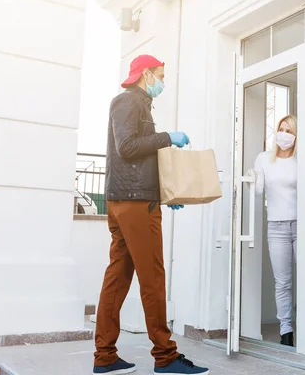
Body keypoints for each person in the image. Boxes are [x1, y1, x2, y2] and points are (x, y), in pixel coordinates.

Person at [93, 55, 209, 375]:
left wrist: (163, 194)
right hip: (135, 204)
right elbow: (128, 147)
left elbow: (137, 158)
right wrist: (167, 137)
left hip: (130, 200)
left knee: (117, 279)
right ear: (145, 74)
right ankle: (166, 357)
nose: (162, 81)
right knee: (153, 280)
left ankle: (105, 357)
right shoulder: (128, 102)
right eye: (160, 75)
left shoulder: (137, 104)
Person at [248, 115, 298, 347]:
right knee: (283, 282)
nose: (284, 134)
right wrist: (251, 177)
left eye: (289, 130)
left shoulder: (301, 159)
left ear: (296, 135)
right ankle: (286, 331)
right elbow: (258, 190)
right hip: (277, 226)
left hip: (301, 226)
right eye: (281, 128)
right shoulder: (265, 159)